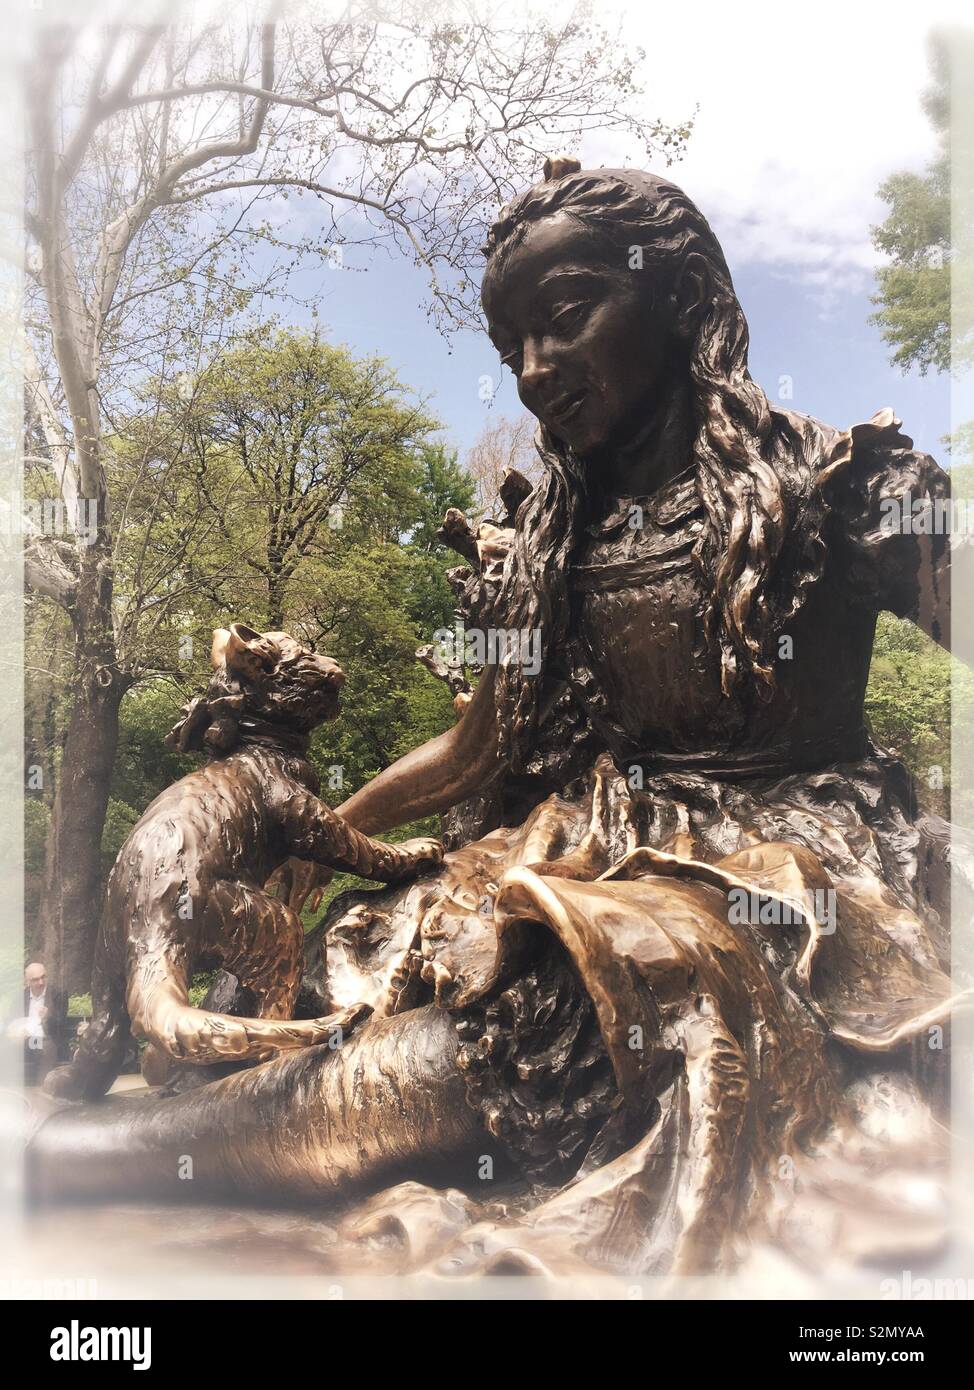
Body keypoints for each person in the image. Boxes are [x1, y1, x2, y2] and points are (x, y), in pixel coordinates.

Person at [27, 163, 966, 1279]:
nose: (532, 372)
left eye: (564, 319)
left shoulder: (836, 484)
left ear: (677, 296)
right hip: (587, 843)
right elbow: (477, 748)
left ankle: (83, 1156)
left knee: (546, 1014)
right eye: (509, 344)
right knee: (364, 957)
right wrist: (312, 846)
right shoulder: (557, 545)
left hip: (788, 867)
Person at [13, 962, 66, 1085]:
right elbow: (12, 1020)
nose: (41, 982)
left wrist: (48, 1017)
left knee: (42, 1048)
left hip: (47, 1038)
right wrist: (18, 1032)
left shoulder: (58, 994)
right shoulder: (20, 997)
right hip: (24, 1040)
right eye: (35, 979)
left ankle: (41, 1089)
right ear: (27, 982)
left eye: (43, 977)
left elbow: (61, 1023)